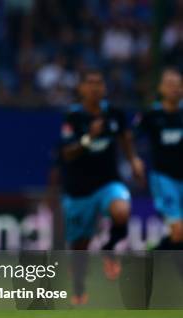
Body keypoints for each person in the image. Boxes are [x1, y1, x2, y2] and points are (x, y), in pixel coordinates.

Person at [58, 70, 145, 305]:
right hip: (79, 190)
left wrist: (134, 161)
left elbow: (125, 139)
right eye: (90, 83)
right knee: (79, 247)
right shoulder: (73, 117)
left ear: (104, 88)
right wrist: (89, 138)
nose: (95, 87)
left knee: (121, 211)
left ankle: (109, 247)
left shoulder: (114, 114)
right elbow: (66, 153)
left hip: (109, 183)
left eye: (99, 83)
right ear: (82, 89)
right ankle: (78, 289)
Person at [134, 68, 183, 251]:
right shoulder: (152, 115)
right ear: (161, 88)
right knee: (179, 231)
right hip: (163, 178)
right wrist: (135, 159)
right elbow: (130, 137)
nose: (175, 89)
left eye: (179, 85)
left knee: (178, 236)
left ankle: (152, 254)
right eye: (170, 85)